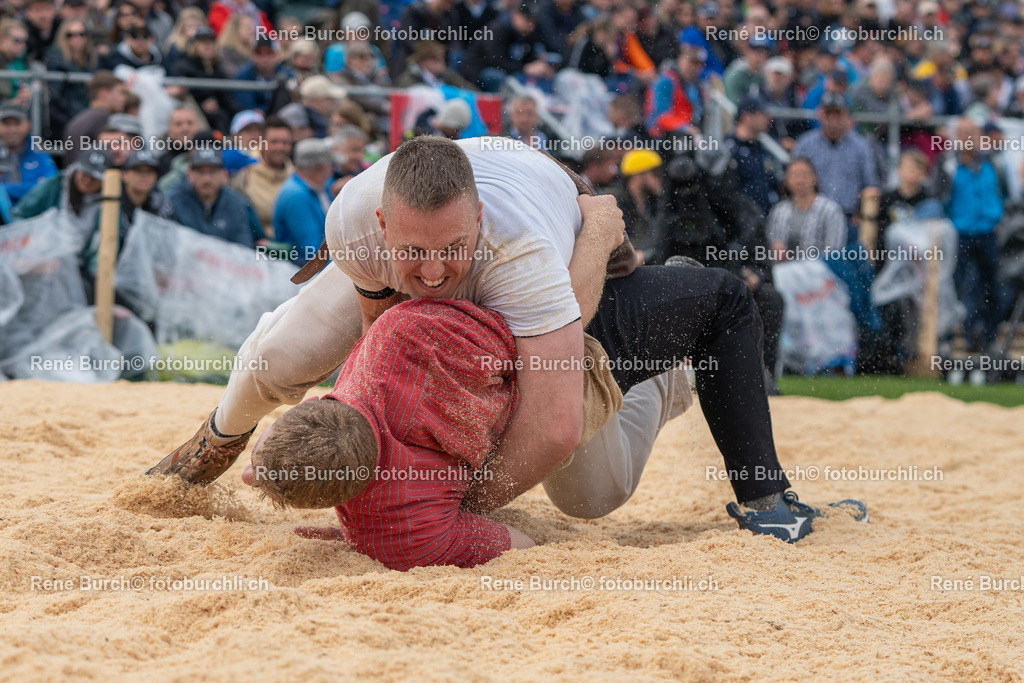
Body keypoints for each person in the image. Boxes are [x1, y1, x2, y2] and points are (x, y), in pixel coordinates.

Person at [150, 136, 867, 543]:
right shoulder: (355, 222)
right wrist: (374, 458)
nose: (434, 274)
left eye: (451, 251)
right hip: (471, 208)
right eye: (414, 254)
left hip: (562, 257)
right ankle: (213, 439)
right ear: (385, 227)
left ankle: (671, 379)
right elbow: (381, 342)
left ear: (478, 223)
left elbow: (556, 401)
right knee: (285, 354)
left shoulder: (517, 252)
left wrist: (436, 510)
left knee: (591, 493)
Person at [242, 299, 537, 570]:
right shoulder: (393, 330)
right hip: (520, 317)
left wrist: (374, 538)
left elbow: (524, 546)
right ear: (312, 402)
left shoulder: (403, 540)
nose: (246, 475)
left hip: (537, 393)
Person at [943, 118, 1004, 352]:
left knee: (991, 287)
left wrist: (1000, 219)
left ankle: (989, 337)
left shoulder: (993, 163)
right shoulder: (948, 164)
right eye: (963, 132)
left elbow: (1006, 193)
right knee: (956, 286)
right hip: (959, 233)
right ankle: (954, 337)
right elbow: (940, 197)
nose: (968, 137)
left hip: (989, 232)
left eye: (972, 132)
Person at [792, 93, 879, 218]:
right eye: (828, 114)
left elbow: (870, 185)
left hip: (849, 215)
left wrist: (861, 213)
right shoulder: (805, 144)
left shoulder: (861, 146)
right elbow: (793, 180)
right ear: (820, 115)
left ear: (846, 116)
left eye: (838, 114)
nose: (833, 119)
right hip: (812, 215)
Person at [168, 148, 262, 248]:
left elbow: (243, 246)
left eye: (213, 172)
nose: (207, 179)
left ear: (224, 175)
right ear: (189, 175)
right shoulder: (173, 202)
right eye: (200, 172)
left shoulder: (237, 204)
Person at [766, 157, 847, 261]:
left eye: (804, 174)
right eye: (794, 175)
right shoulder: (779, 210)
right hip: (783, 268)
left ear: (815, 177)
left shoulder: (831, 210)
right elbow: (770, 242)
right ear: (786, 180)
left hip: (820, 269)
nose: (800, 180)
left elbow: (834, 251)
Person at [230, 115, 293, 238]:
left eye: (285, 143)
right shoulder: (243, 171)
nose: (280, 147)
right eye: (274, 142)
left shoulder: (296, 175)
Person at [273, 138, 333, 265]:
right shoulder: (295, 196)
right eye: (331, 165)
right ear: (321, 167)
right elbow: (314, 253)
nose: (332, 171)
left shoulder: (319, 187)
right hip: (301, 271)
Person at [725, 97, 781, 217]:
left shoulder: (764, 148)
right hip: (740, 219)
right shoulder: (728, 149)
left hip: (766, 217)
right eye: (762, 114)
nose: (768, 119)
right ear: (747, 116)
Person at [44, 18, 98, 140]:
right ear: (63, 37)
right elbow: (57, 97)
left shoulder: (93, 60)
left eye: (81, 34)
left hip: (88, 114)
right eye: (71, 35)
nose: (77, 38)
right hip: (66, 120)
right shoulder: (55, 61)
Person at [607, 149, 662, 264]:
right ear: (638, 175)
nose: (659, 178)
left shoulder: (654, 202)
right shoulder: (614, 201)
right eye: (655, 172)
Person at [62, 70, 127, 166]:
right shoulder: (101, 118)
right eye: (121, 92)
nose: (124, 98)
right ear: (103, 93)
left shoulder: (79, 118)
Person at [0, 104, 58, 207]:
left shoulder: (40, 153)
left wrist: (4, 189)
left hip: (33, 214)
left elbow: (51, 188)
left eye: (17, 123)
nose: (12, 129)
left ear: (28, 125)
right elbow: (39, 188)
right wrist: (30, 188)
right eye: (6, 124)